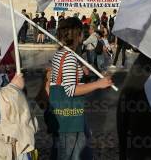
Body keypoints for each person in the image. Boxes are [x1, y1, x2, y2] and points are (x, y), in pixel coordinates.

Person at [48, 17, 113, 159]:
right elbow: (70, 90)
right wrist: (98, 84)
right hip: (70, 116)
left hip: (63, 113)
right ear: (78, 34)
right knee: (71, 154)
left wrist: (79, 70)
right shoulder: (70, 56)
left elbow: (62, 81)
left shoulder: (61, 53)